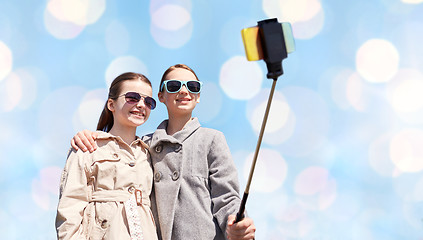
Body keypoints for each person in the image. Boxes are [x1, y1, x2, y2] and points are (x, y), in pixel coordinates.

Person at [71, 64, 256, 240]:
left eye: (192, 86)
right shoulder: (143, 146)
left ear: (198, 96)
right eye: (174, 86)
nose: (184, 91)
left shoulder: (211, 139)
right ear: (161, 97)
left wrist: (236, 223)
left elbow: (227, 196)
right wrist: (90, 136)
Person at [56, 72, 158, 240]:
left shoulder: (151, 153)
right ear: (111, 104)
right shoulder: (87, 147)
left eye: (148, 101)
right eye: (132, 97)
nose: (141, 105)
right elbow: (70, 208)